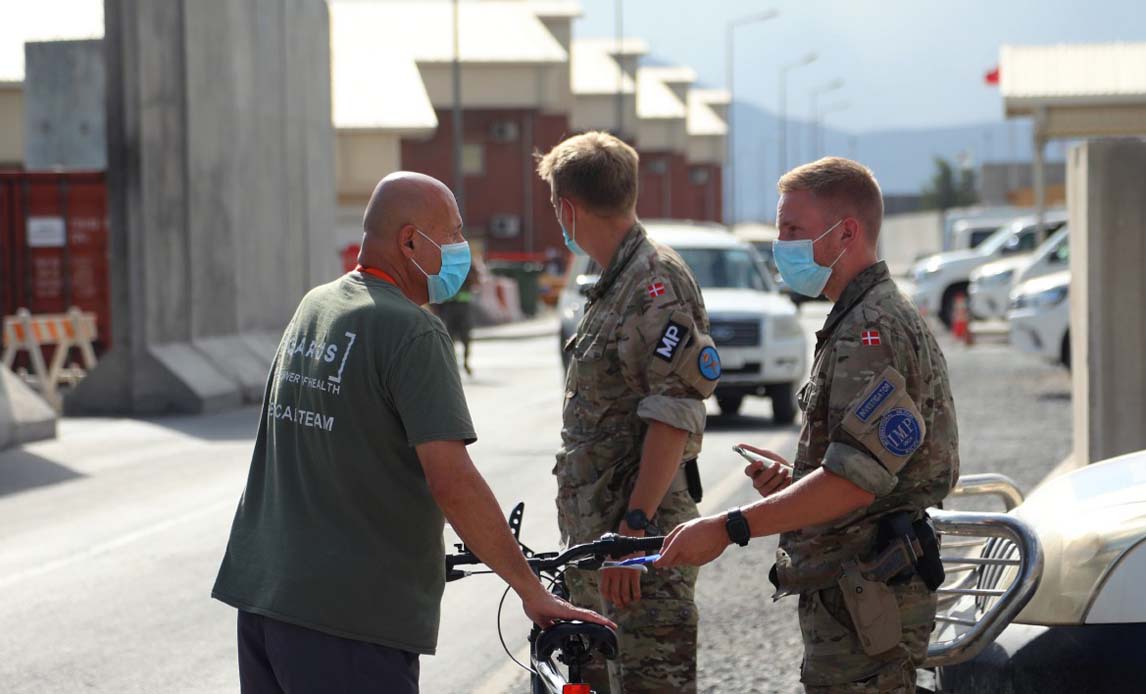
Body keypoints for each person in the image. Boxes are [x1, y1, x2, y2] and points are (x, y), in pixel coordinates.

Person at [211, 171, 611, 694]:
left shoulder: (317, 306)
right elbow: (453, 481)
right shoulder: (412, 332)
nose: (460, 249)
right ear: (409, 241)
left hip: (266, 599)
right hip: (348, 623)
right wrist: (531, 590)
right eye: (452, 234)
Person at [656, 157, 959, 693]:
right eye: (780, 231)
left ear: (846, 232)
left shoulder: (872, 328)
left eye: (793, 231)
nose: (781, 246)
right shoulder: (858, 317)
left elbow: (854, 483)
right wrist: (799, 480)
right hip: (853, 592)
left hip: (869, 596)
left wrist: (729, 527)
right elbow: (855, 466)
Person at [536, 131, 721, 694]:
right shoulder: (617, 280)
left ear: (567, 208)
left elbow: (673, 415)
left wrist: (632, 536)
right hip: (606, 554)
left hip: (638, 558)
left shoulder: (652, 283)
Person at [434, 262, 478, 375]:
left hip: (463, 309)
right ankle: (452, 365)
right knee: (449, 339)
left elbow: (475, 281)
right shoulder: (443, 266)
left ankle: (465, 363)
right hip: (449, 309)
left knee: (466, 339)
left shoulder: (467, 265)